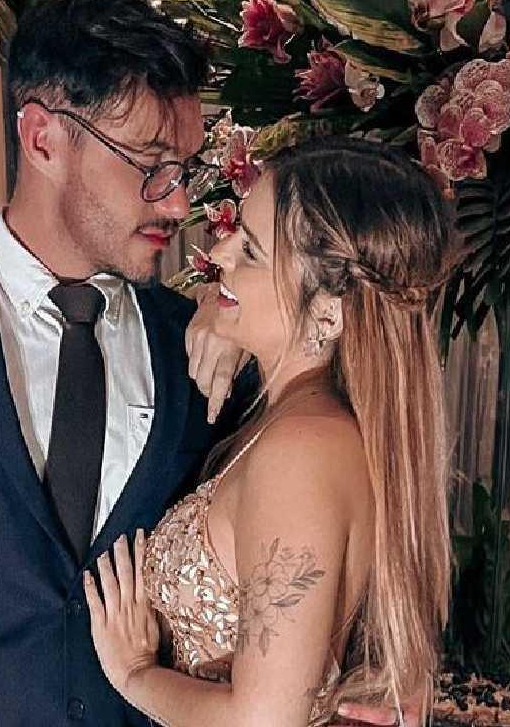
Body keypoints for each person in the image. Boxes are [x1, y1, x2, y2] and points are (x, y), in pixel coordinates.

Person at [0, 0, 413, 726]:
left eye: (185, 169)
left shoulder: (206, 350)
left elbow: (303, 552)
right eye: (150, 163)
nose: (178, 203)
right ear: (43, 138)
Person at [84, 136, 455, 727]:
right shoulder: (292, 420)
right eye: (235, 232)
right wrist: (219, 314)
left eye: (250, 250)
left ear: (329, 310)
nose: (219, 253)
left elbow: (264, 720)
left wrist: (135, 674)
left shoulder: (303, 450)